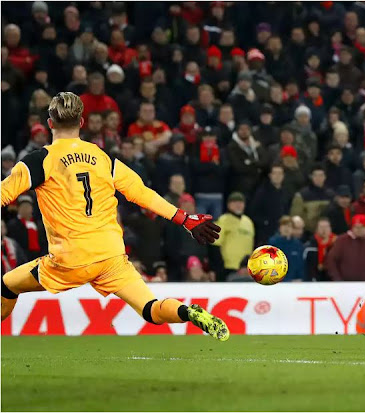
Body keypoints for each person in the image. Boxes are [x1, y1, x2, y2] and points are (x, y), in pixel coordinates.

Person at [0, 92, 229, 341]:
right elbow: (141, 193)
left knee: (8, 284)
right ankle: (186, 312)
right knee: (151, 308)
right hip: (110, 255)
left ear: (50, 123)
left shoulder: (38, 161)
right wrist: (184, 218)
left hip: (71, 258)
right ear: (82, 123)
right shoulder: (103, 158)